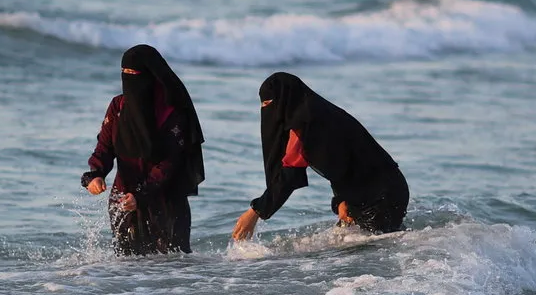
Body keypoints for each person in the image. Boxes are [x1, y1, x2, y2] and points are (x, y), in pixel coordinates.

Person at [232, 72, 409, 240]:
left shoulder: (307, 126)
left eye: (269, 103)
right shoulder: (319, 115)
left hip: (382, 195)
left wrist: (254, 213)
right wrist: (341, 200)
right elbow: (341, 163)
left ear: (286, 100)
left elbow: (289, 177)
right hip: (376, 192)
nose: (266, 110)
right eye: (263, 105)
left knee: (367, 254)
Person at [81, 44, 205, 256]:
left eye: (134, 74)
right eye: (124, 73)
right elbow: (105, 145)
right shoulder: (118, 107)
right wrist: (96, 175)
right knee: (127, 273)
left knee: (171, 273)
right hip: (123, 200)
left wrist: (141, 195)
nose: (129, 80)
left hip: (166, 204)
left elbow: (170, 164)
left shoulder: (172, 114)